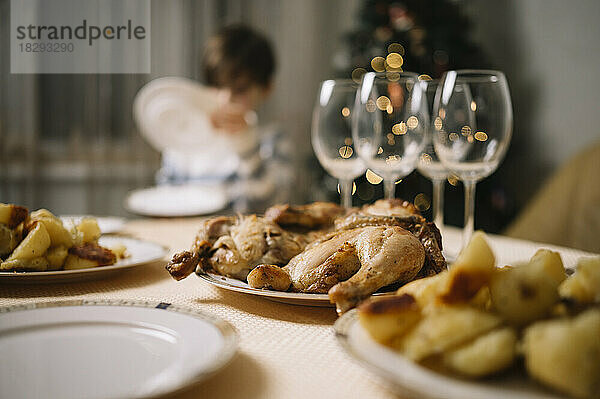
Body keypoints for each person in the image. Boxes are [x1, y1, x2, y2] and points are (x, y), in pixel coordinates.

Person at [134, 25, 289, 210]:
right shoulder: (185, 138)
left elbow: (270, 208)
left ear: (266, 88)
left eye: (240, 89)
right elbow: (168, 202)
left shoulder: (272, 140)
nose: (226, 98)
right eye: (217, 85)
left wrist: (246, 146)